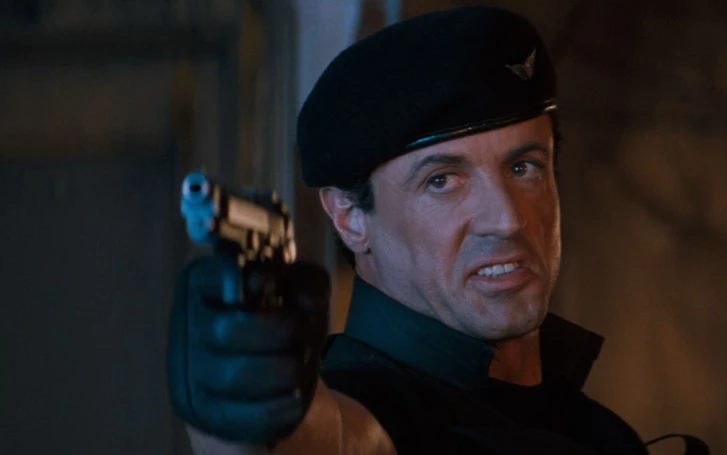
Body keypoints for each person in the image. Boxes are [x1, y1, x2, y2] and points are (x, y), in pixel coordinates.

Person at [167, 6, 654, 455]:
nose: (507, 219)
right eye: (442, 180)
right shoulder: (365, 413)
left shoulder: (601, 431)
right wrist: (237, 415)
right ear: (350, 217)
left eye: (524, 167)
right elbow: (335, 437)